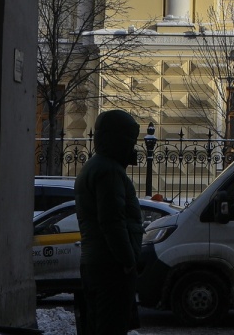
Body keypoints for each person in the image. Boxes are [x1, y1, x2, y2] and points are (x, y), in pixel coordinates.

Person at [74, 110, 144, 335]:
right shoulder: (109, 171)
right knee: (111, 327)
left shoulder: (96, 167)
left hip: (98, 263)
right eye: (130, 141)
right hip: (111, 267)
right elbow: (112, 222)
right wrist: (128, 260)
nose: (133, 148)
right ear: (118, 140)